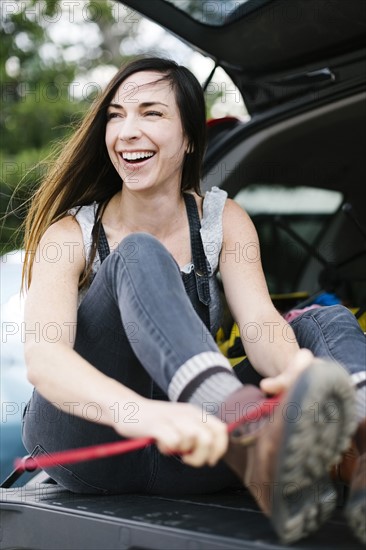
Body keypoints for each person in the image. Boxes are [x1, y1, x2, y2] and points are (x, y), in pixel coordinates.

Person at [21, 57, 366, 545]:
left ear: (188, 138)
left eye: (151, 113)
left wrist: (293, 377)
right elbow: (44, 361)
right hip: (89, 442)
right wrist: (151, 415)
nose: (127, 131)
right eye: (116, 115)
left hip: (195, 451)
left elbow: (260, 324)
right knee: (139, 253)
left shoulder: (224, 221)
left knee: (323, 319)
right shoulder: (71, 233)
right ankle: (240, 423)